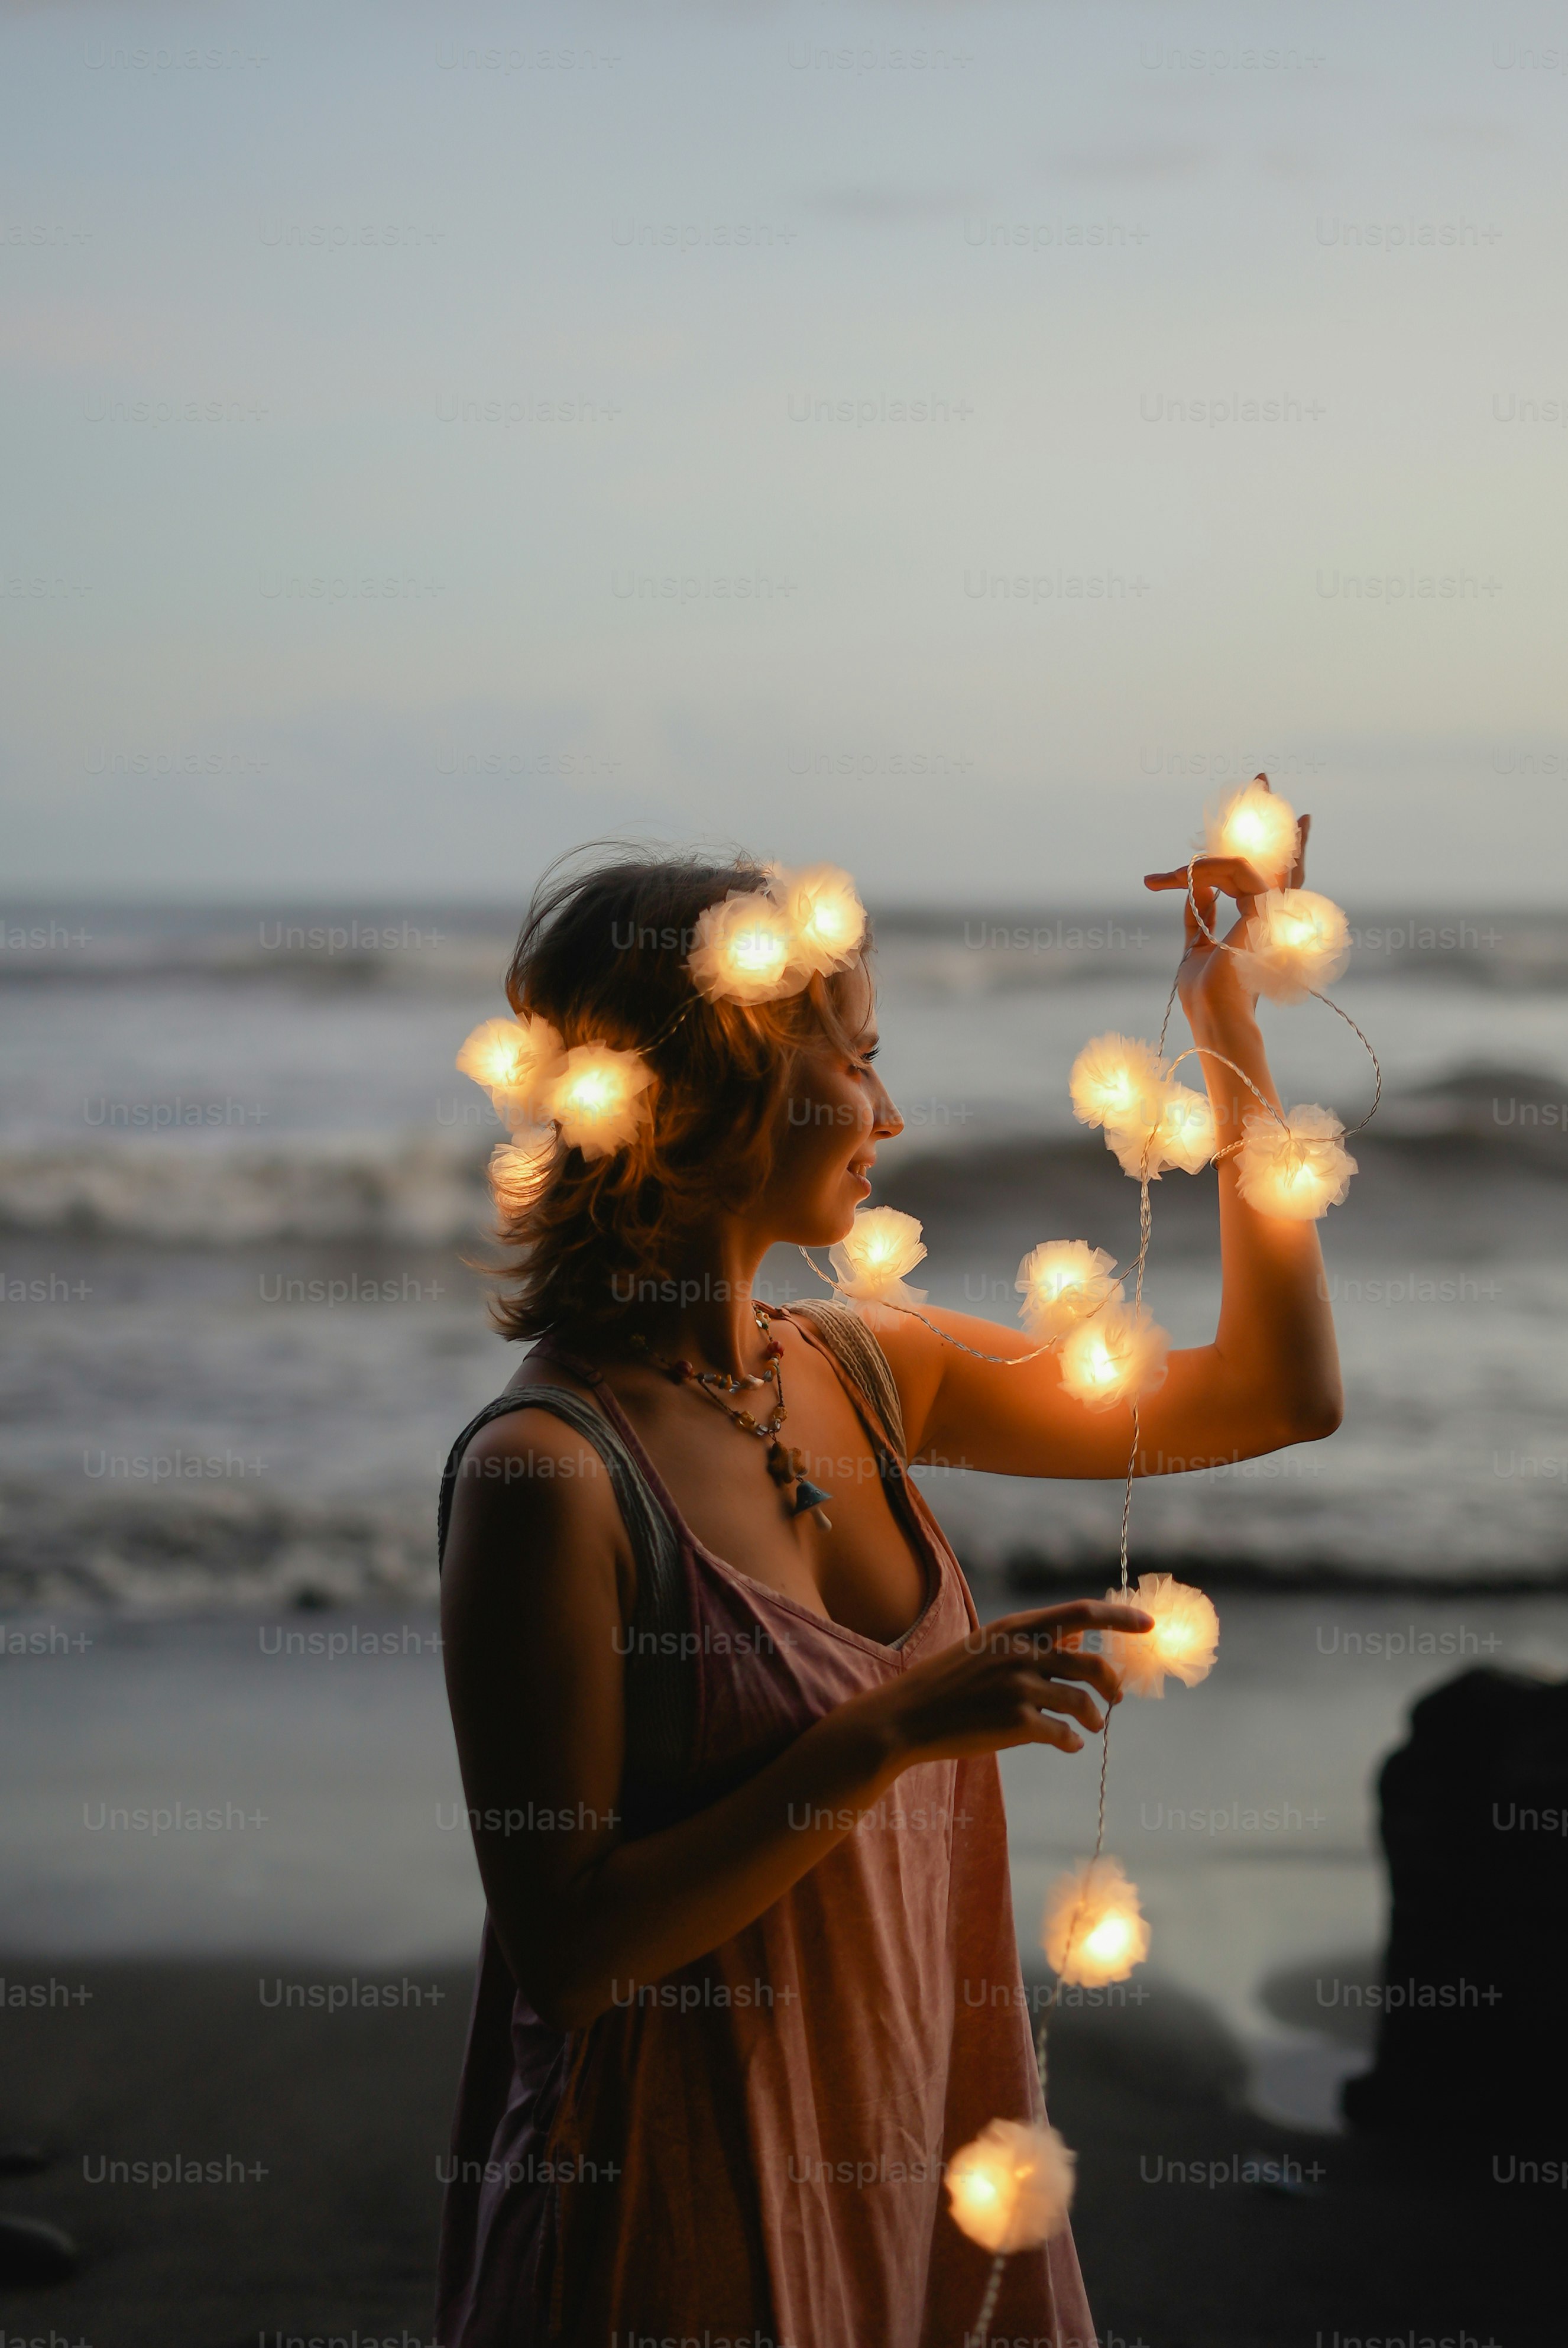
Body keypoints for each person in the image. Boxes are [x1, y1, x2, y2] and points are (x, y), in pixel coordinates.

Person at [436, 822, 1342, 2348]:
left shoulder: (869, 1369)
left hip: (915, 2150)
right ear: (715, 1089)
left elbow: (1276, 1392)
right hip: (672, 2209)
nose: (892, 1110)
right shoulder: (552, 1473)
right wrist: (888, 1732)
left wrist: (1226, 1019)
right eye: (855, 1061)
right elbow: (573, 1954)